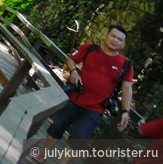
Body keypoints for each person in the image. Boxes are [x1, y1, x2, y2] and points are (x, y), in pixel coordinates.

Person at [33, 25, 134, 162]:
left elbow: (127, 88)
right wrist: (74, 71)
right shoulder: (90, 48)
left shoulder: (125, 65)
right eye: (113, 36)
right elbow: (71, 59)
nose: (115, 40)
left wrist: (126, 111)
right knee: (56, 128)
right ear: (106, 36)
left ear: (123, 44)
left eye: (120, 39)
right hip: (75, 98)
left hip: (96, 109)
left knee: (77, 140)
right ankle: (42, 156)